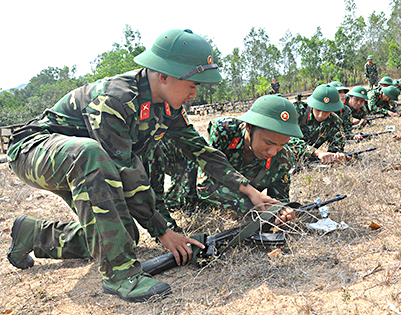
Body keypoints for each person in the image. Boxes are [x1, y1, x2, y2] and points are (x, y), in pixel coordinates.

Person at [6, 29, 280, 303]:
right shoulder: (116, 99)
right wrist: (163, 230)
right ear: (164, 76)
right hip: (33, 148)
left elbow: (202, 151)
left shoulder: (167, 107)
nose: (194, 94)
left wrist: (249, 190)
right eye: (192, 85)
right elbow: (124, 168)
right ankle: (120, 276)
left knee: (122, 237)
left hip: (83, 162)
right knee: (90, 154)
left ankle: (34, 234)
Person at [144, 94, 303, 224]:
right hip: (187, 200)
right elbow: (205, 186)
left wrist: (283, 212)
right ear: (249, 127)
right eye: (268, 143)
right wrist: (252, 206)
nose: (273, 151)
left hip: (224, 210)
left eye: (281, 144)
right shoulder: (226, 131)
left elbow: (279, 201)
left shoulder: (284, 158)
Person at [289, 84, 347, 164]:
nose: (321, 114)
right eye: (318, 109)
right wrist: (316, 152)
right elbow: (285, 139)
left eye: (326, 111)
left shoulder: (335, 122)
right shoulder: (297, 111)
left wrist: (335, 157)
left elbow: (336, 148)